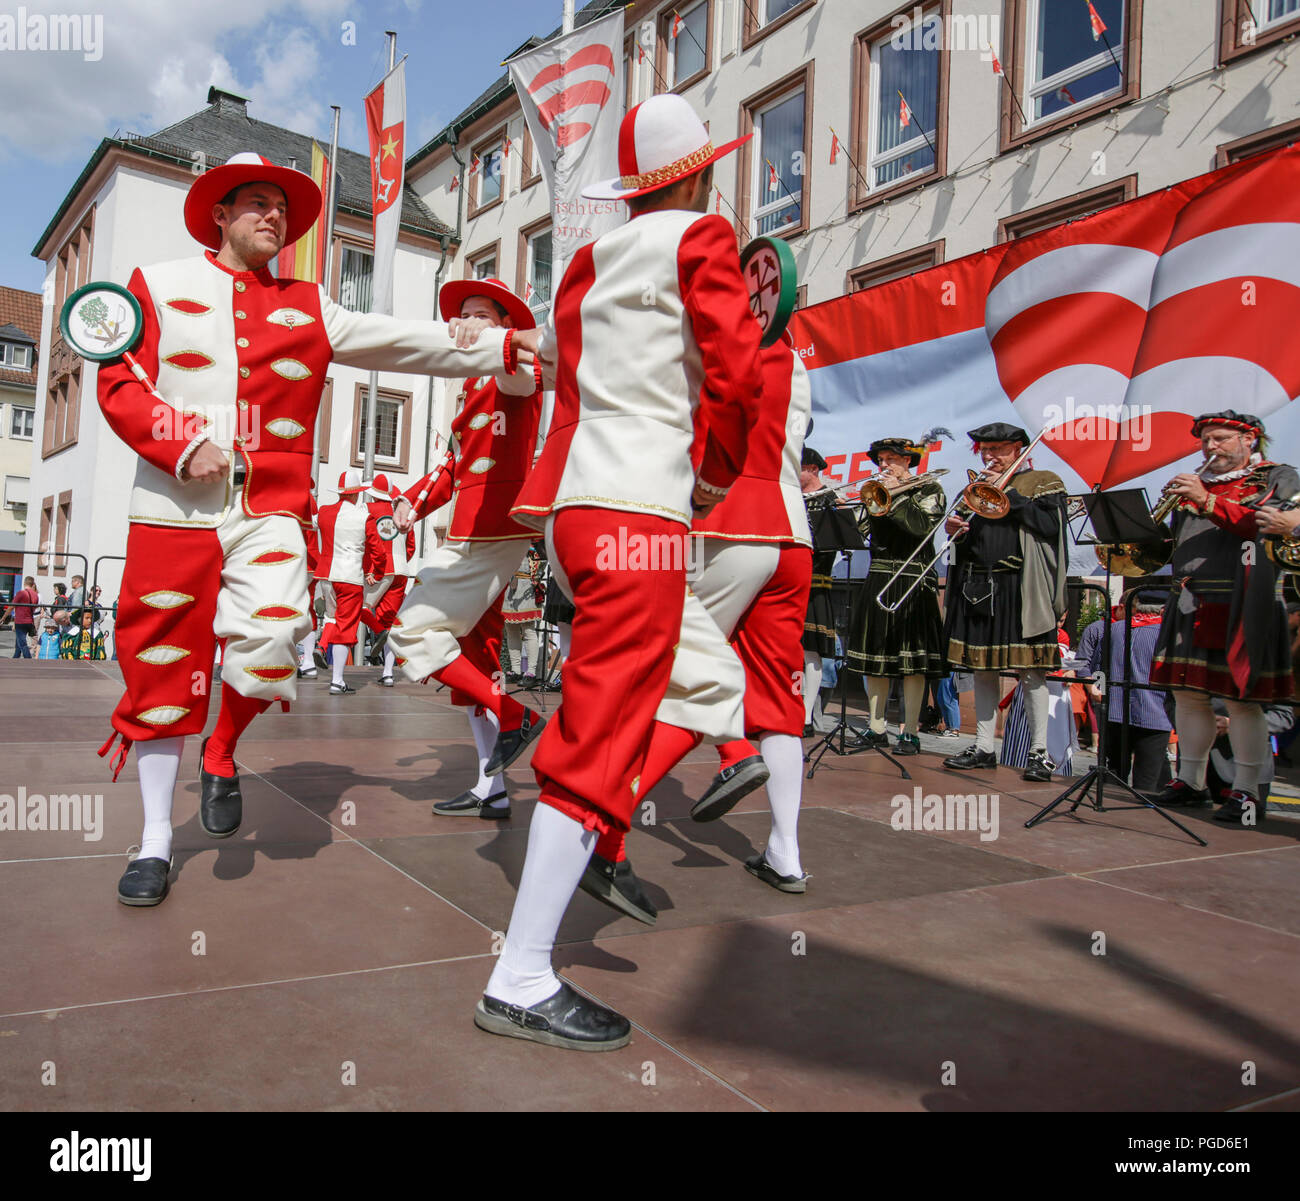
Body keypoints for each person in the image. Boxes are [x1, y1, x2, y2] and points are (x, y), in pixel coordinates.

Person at [96, 150, 539, 907]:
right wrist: (178, 438)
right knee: (162, 674)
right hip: (172, 511)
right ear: (220, 213)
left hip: (270, 507)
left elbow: (404, 339)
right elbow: (117, 379)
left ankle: (224, 748)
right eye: (260, 203)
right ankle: (155, 841)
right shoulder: (158, 286)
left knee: (272, 640)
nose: (276, 217)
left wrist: (501, 345)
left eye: (284, 208)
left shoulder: (311, 304)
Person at [478, 92, 760, 1050]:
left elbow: (563, 374)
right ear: (700, 172)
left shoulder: (590, 258)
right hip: (646, 501)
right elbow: (735, 371)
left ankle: (600, 834)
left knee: (664, 688)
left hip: (579, 506)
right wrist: (717, 476)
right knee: (603, 727)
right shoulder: (706, 235)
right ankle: (520, 971)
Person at [386, 276, 545, 820]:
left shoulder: (515, 370)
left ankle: (516, 718)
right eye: (463, 315)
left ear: (505, 325)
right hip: (469, 529)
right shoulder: (470, 386)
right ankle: (491, 787)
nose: (466, 322)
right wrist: (411, 503)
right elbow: (454, 465)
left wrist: (506, 342)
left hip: (493, 528)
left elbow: (525, 373)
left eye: (480, 314)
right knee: (474, 662)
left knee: (410, 633)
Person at [1148, 411, 1298, 825]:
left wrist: (1207, 500)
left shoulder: (1276, 477)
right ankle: (1191, 783)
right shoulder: (1200, 485)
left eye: (1220, 439)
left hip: (1244, 602)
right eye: (1205, 440)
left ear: (1250, 439)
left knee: (1242, 701)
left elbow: (1267, 528)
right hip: (1189, 601)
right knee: (1188, 695)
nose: (1210, 447)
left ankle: (1247, 793)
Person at [942, 423, 1067, 782]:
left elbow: (1050, 526)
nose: (990, 456)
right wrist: (955, 531)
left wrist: (1008, 493)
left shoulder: (1043, 480)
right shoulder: (973, 488)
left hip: (1020, 588)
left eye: (998, 449)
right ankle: (983, 747)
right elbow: (966, 544)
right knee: (982, 669)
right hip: (977, 586)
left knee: (1032, 672)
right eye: (986, 450)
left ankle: (1039, 752)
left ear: (1019, 451)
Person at [847, 439, 947, 754]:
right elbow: (859, 531)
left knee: (912, 661)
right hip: (879, 576)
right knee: (876, 658)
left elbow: (921, 528)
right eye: (881, 459)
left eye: (891, 459)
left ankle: (910, 732)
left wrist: (895, 496)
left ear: (908, 461)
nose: (884, 465)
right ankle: (876, 728)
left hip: (913, 577)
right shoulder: (876, 489)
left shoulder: (929, 489)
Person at [315, 470, 371, 696]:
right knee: (346, 627)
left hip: (327, 575)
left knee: (331, 617)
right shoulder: (364, 516)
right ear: (356, 494)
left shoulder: (324, 512)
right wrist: (373, 569)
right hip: (350, 577)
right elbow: (375, 549)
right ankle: (337, 680)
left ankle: (321, 645)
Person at [800, 448, 841, 734]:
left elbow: (837, 541)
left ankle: (805, 717)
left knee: (812, 652)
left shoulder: (830, 498)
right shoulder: (790, 497)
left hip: (816, 582)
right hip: (787, 580)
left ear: (812, 469)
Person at [360, 474, 415, 686]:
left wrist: (368, 569)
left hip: (379, 570)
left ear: (373, 495)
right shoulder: (402, 513)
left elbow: (365, 541)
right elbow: (411, 546)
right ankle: (388, 673)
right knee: (390, 621)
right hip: (401, 570)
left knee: (361, 608)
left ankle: (378, 632)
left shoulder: (368, 511)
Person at [3, 576, 41, 658]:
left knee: (22, 643)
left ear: (24, 583)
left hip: (20, 621)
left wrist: (3, 618)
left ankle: (28, 660)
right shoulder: (36, 595)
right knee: (18, 643)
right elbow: (34, 608)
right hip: (30, 621)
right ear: (33, 584)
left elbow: (11, 606)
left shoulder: (21, 593)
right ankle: (15, 658)